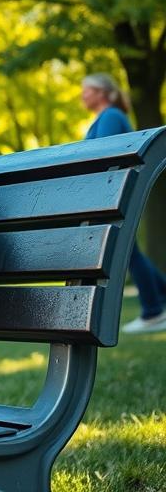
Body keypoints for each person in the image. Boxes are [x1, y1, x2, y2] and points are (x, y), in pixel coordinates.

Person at [82, 73, 166, 333]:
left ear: (102, 92)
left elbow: (103, 156)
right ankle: (158, 304)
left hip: (111, 194)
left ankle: (153, 311)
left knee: (126, 251)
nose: (82, 95)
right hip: (110, 194)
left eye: (87, 90)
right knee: (129, 250)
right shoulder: (106, 118)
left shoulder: (110, 117)